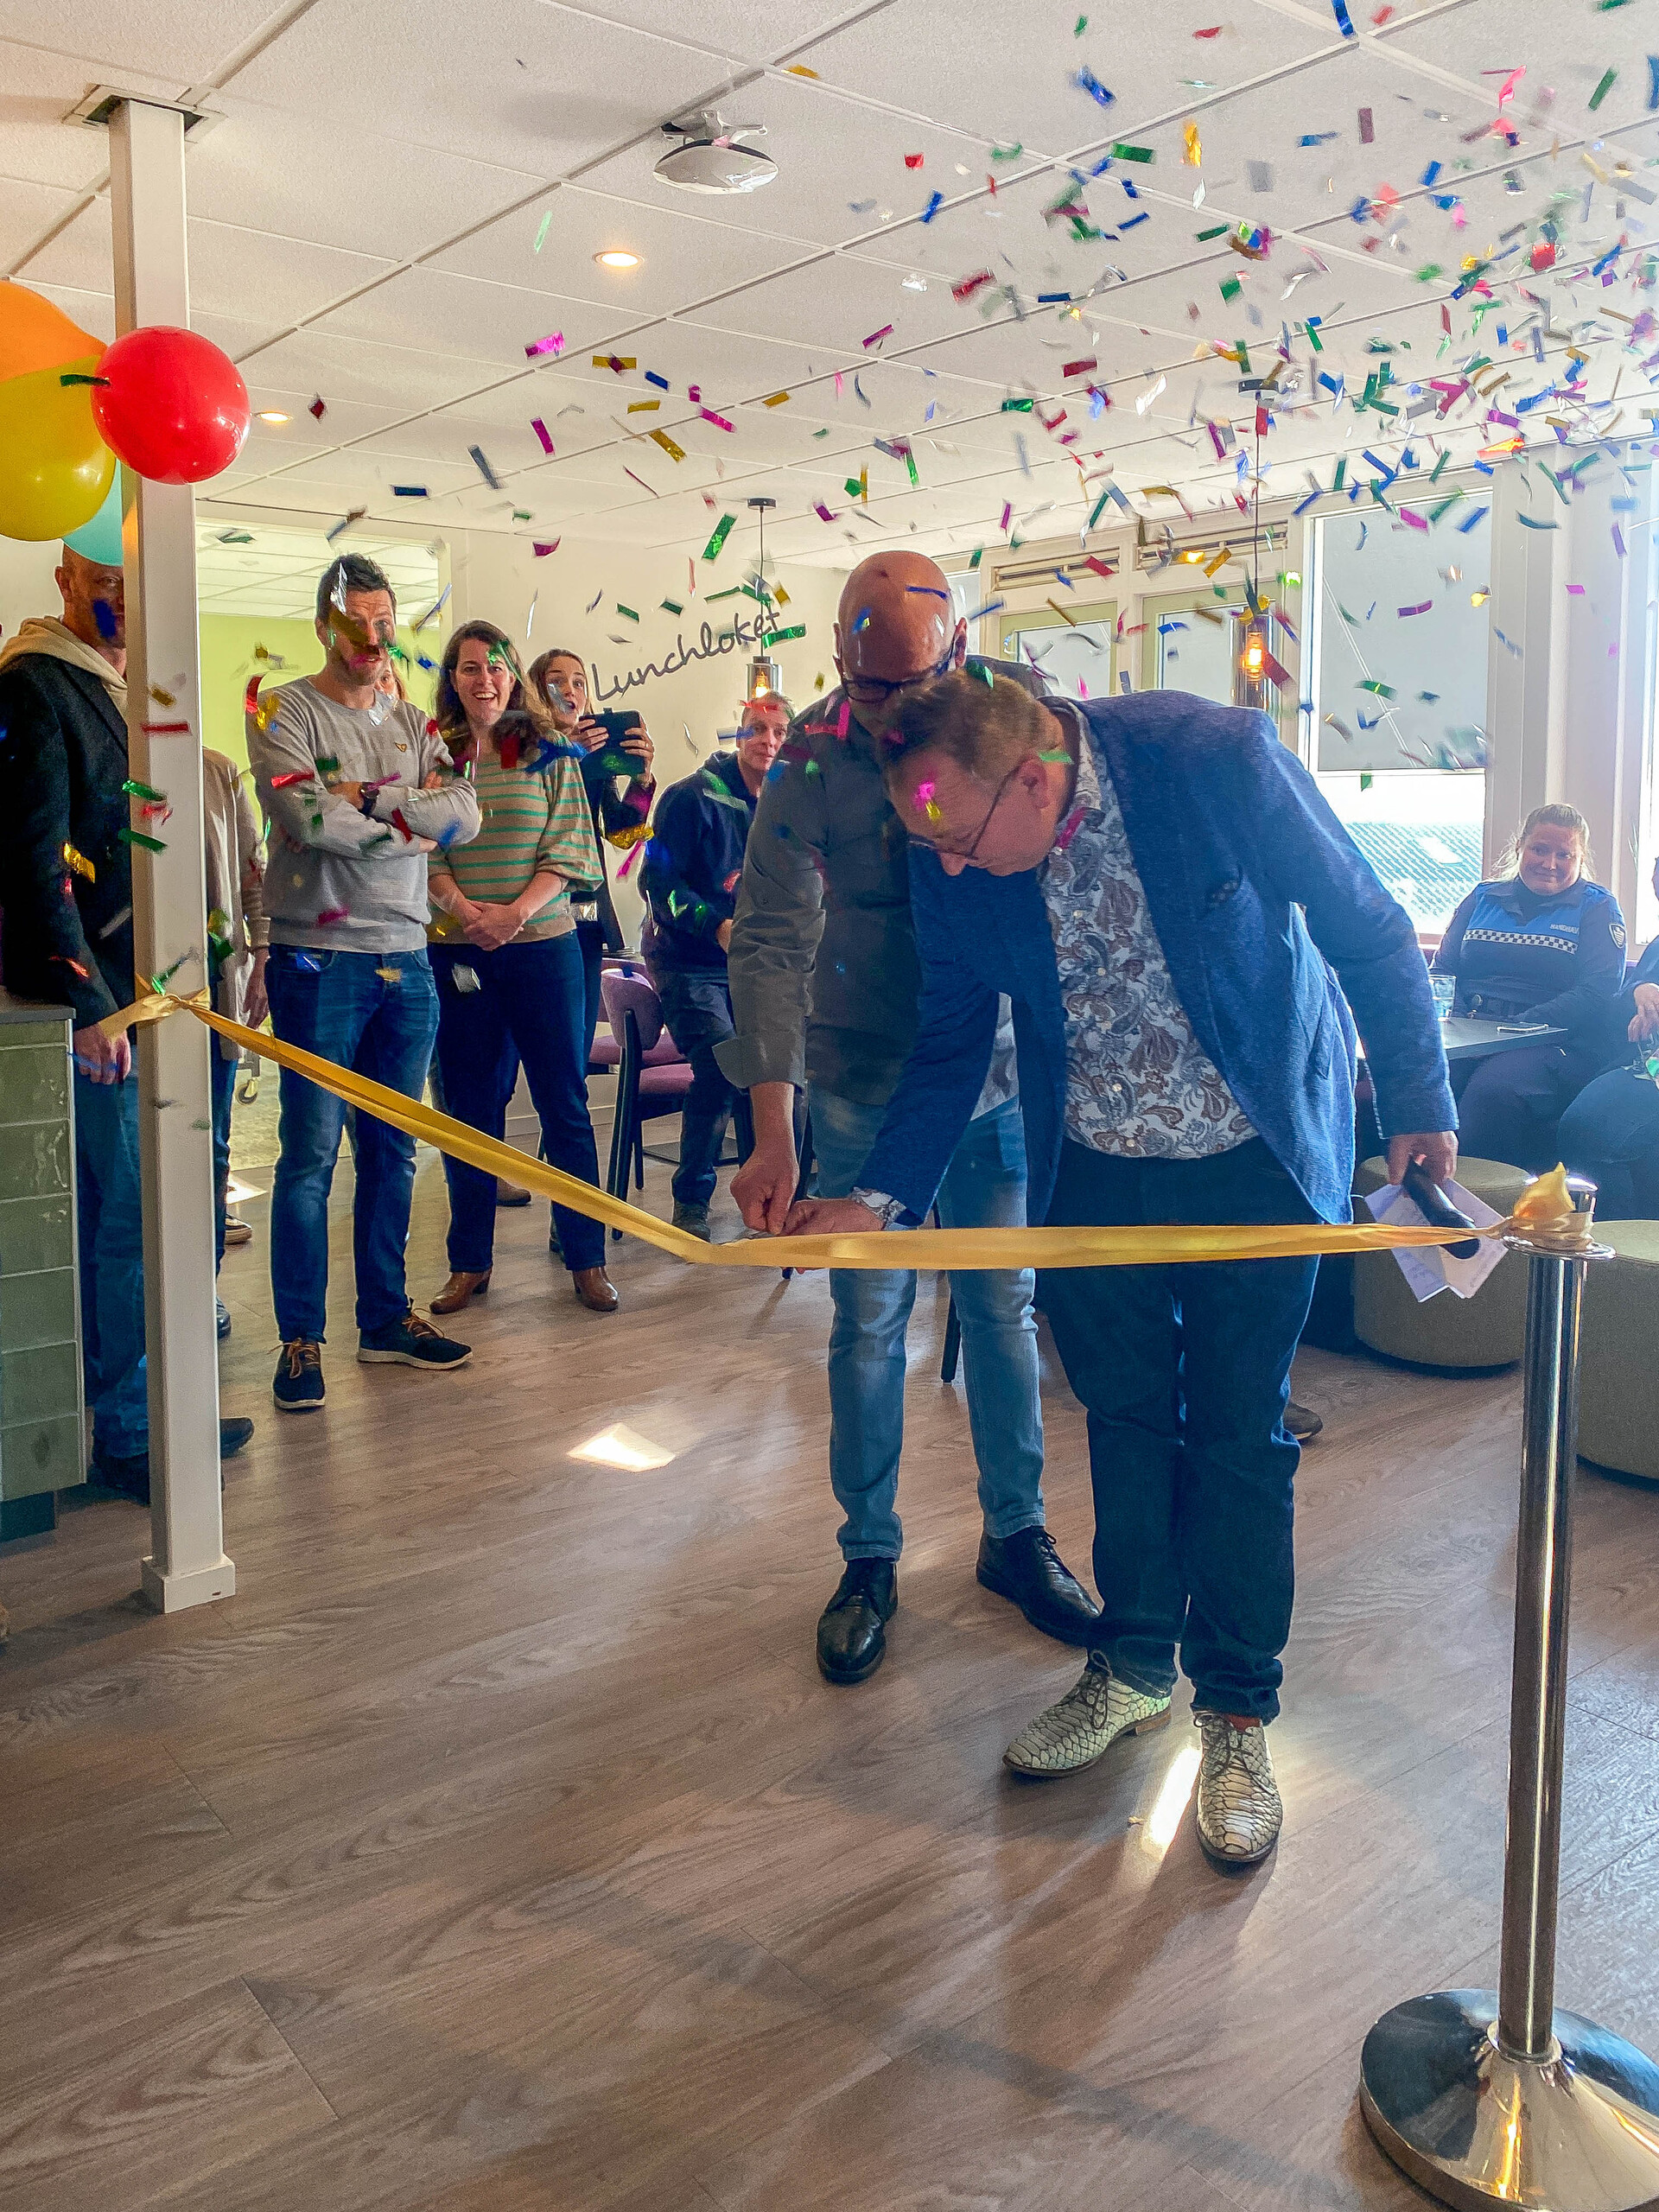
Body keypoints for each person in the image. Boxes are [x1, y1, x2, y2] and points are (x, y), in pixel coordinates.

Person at [785, 670, 1454, 1865]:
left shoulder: (1216, 759)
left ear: (1036, 778)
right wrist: (879, 1193)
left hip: (1253, 1158)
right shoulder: (957, 844)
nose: (942, 868)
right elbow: (948, 1037)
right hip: (1094, 1170)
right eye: (921, 839)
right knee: (1125, 1421)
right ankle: (1137, 1662)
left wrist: (1417, 1096)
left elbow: (1362, 923)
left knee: (1240, 1438)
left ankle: (1240, 1708)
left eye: (957, 838)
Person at [718, 553, 1098, 1686]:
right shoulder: (807, 760)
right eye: (869, 690)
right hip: (862, 1076)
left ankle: (1016, 1534)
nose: (888, 717)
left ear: (965, 642)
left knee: (1004, 1311)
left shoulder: (1027, 718)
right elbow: (771, 939)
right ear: (839, 661)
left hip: (997, 1073)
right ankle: (869, 1556)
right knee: (868, 1324)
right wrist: (773, 1130)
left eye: (912, 687)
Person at [0, 548, 254, 1494]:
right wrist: (87, 1006)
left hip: (175, 1002)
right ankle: (132, 1431)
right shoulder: (38, 686)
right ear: (66, 582)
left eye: (135, 590)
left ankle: (151, 1410)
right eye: (107, 587)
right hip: (109, 1009)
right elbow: (36, 865)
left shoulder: (130, 690)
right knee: (130, 1223)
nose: (124, 607)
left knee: (153, 1215)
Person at [249, 553, 480, 1413]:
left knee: (394, 1150)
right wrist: (405, 815)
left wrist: (369, 798)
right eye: (357, 624)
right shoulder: (286, 709)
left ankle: (385, 1320)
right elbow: (307, 819)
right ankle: (300, 1339)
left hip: (407, 957)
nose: (374, 640)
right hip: (317, 959)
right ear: (324, 626)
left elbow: (464, 812)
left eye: (386, 623)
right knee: (309, 1154)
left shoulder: (419, 724)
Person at [424, 621, 618, 1315]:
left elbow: (571, 850)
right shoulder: (436, 754)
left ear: (514, 678)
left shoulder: (547, 751)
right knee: (470, 1114)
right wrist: (465, 911)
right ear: (453, 678)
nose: (484, 680)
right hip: (458, 951)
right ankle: (470, 1263)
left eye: (496, 668)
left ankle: (586, 1260)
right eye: (470, 668)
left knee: (563, 1106)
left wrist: (511, 915)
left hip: (543, 948)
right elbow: (426, 852)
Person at [641, 696, 788, 1237]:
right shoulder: (690, 798)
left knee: (773, 1073)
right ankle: (692, 1200)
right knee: (725, 1067)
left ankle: (769, 1199)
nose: (768, 742)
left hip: (760, 969)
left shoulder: (785, 805)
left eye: (779, 731)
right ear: (737, 735)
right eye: (757, 730)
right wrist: (716, 927)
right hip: (691, 965)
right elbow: (655, 884)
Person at [1433, 804, 1625, 1172]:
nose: (1549, 863)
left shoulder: (1598, 907)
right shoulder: (1482, 897)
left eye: (1563, 854)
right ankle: (1395, 1203)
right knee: (1417, 1080)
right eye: (1540, 849)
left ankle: (1481, 1212)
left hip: (1554, 1041)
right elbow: (1442, 971)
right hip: (1465, 1031)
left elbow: (1599, 990)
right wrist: (1456, 1022)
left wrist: (1517, 1026)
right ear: (1520, 847)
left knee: (1492, 1094)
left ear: (1579, 858)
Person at [527, 650, 655, 1062]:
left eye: (580, 682)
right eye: (557, 681)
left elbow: (621, 833)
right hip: (535, 909)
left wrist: (642, 776)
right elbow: (541, 820)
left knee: (575, 1047)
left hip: (586, 916)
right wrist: (567, 756)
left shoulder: (597, 756)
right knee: (538, 1041)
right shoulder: (525, 753)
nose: (570, 690)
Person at [203, 747, 268, 1339]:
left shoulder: (217, 771)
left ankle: (203, 1290)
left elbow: (253, 871)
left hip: (216, 997)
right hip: (126, 1000)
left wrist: (264, 952)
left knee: (212, 1151)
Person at [1558, 856, 1659, 1217]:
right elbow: (1617, 1014)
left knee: (1590, 1127)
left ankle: (1623, 1257)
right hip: (1641, 1065)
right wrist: (1639, 990)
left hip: (1645, 1072)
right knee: (1582, 1125)